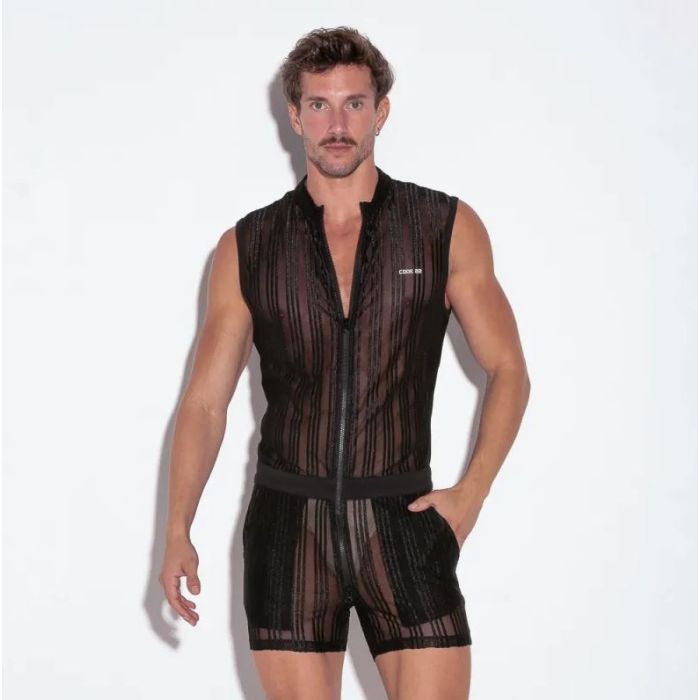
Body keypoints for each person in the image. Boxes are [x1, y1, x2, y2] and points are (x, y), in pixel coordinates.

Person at [159, 26, 530, 700]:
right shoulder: (247, 246)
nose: (337, 124)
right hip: (289, 530)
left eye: (354, 104)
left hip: (403, 520)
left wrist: (471, 495)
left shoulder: (444, 227)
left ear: (380, 112)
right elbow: (205, 403)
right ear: (294, 114)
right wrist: (178, 526)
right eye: (320, 105)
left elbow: (509, 369)